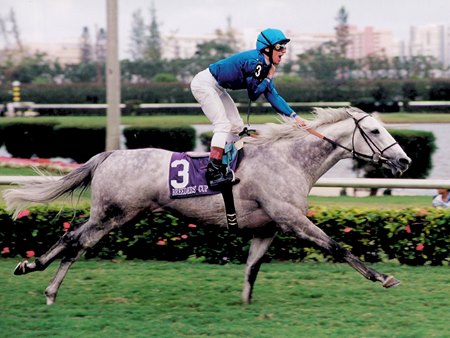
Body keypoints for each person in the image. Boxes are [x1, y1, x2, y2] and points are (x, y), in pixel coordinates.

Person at [191, 28, 303, 190]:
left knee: (236, 125)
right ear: (267, 48)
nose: (283, 51)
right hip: (204, 84)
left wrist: (294, 116)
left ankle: (226, 166)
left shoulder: (264, 64)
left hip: (217, 86)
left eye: (285, 47)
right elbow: (254, 94)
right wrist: (269, 77)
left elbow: (272, 95)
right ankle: (213, 172)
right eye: (280, 47)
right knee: (222, 125)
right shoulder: (256, 63)